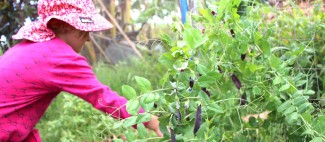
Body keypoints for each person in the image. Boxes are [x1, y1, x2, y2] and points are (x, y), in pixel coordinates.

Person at [0, 0, 162, 141]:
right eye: (85, 30)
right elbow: (102, 97)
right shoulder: (61, 58)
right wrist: (147, 119)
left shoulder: (28, 48)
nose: (89, 38)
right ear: (61, 25)